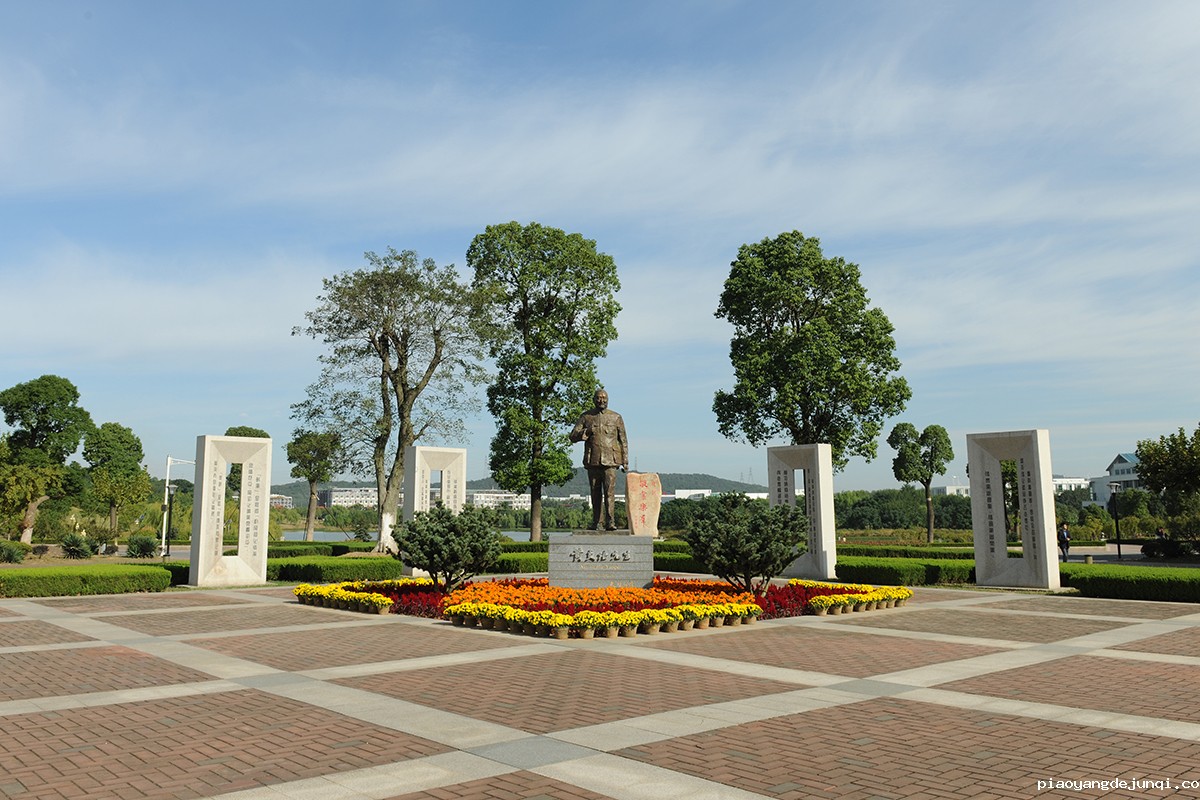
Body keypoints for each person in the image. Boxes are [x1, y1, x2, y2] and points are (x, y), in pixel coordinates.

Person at [569, 388, 628, 531]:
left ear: (608, 400)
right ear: (594, 400)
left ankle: (610, 522)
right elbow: (572, 436)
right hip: (593, 460)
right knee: (595, 493)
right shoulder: (586, 417)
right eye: (599, 398)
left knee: (609, 493)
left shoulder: (616, 417)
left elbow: (623, 441)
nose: (602, 400)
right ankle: (597, 522)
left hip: (611, 461)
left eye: (604, 398)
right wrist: (586, 431)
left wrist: (625, 461)